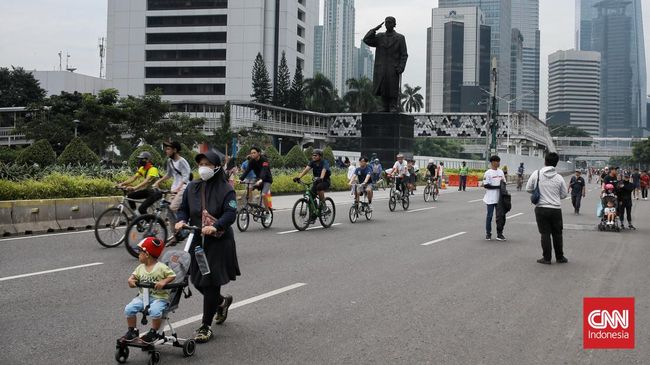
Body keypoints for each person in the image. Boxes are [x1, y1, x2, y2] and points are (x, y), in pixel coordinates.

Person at [174, 150, 240, 343]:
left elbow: (230, 213)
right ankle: (221, 302)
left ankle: (206, 326)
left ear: (217, 167)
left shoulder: (226, 189)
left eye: (207, 164)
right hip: (196, 240)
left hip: (218, 241)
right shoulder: (192, 187)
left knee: (210, 282)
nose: (203, 168)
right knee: (197, 280)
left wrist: (215, 226)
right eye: (201, 164)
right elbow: (183, 209)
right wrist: (180, 220)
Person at [122, 237, 176, 344]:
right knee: (129, 309)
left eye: (140, 252)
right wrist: (131, 280)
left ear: (147, 254)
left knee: (155, 311)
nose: (138, 254)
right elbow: (133, 277)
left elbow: (172, 276)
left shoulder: (161, 267)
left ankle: (154, 332)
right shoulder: (140, 268)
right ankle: (132, 331)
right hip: (143, 297)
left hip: (159, 298)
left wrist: (164, 282)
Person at [526, 152, 568, 265]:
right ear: (556, 163)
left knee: (545, 234)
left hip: (541, 208)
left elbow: (528, 188)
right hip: (555, 209)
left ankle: (547, 258)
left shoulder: (537, 174)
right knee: (557, 234)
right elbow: (564, 195)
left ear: (545, 161)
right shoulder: (559, 178)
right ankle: (560, 257)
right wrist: (554, 196)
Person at [363, 16, 408, 112]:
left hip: (393, 67)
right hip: (381, 67)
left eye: (390, 22)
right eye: (386, 22)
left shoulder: (400, 38)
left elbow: (404, 54)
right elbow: (366, 40)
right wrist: (374, 30)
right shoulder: (379, 37)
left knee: (392, 87)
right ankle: (384, 106)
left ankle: (392, 106)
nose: (388, 24)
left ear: (394, 24)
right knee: (383, 86)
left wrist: (401, 67)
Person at [153, 141, 191, 212]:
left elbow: (186, 176)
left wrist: (178, 188)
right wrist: (158, 182)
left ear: (175, 150)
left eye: (168, 149)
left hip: (183, 188)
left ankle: (182, 220)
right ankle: (174, 222)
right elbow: (169, 174)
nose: (166, 151)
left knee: (173, 208)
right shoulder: (169, 161)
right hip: (174, 188)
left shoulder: (182, 161)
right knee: (169, 209)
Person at [239, 147, 273, 215]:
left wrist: (261, 179)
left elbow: (264, 170)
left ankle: (267, 212)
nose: (252, 154)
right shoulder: (251, 161)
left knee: (263, 194)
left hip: (267, 180)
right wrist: (241, 179)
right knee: (249, 189)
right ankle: (251, 206)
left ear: (259, 153)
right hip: (258, 179)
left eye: (254, 153)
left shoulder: (264, 160)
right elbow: (247, 170)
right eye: (251, 153)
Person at [482, 155, 506, 241]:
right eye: (497, 161)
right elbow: (486, 185)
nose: (498, 163)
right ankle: (488, 234)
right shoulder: (488, 173)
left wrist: (502, 189)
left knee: (500, 217)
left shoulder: (501, 172)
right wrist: (497, 187)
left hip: (499, 198)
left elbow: (504, 183)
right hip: (490, 198)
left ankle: (500, 234)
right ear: (492, 162)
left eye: (499, 161)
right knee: (489, 216)